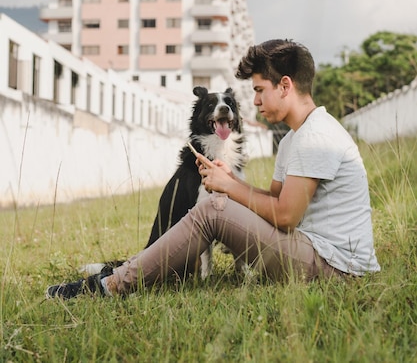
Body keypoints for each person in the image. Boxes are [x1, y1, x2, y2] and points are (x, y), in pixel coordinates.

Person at [46, 39, 380, 299]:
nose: (256, 102)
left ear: (286, 85)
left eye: (260, 90)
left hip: (336, 268)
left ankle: (112, 285)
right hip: (311, 251)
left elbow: (286, 216)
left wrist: (229, 189)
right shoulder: (295, 138)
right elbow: (271, 199)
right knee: (217, 205)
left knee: (213, 210)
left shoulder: (316, 137)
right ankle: (132, 272)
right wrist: (231, 180)